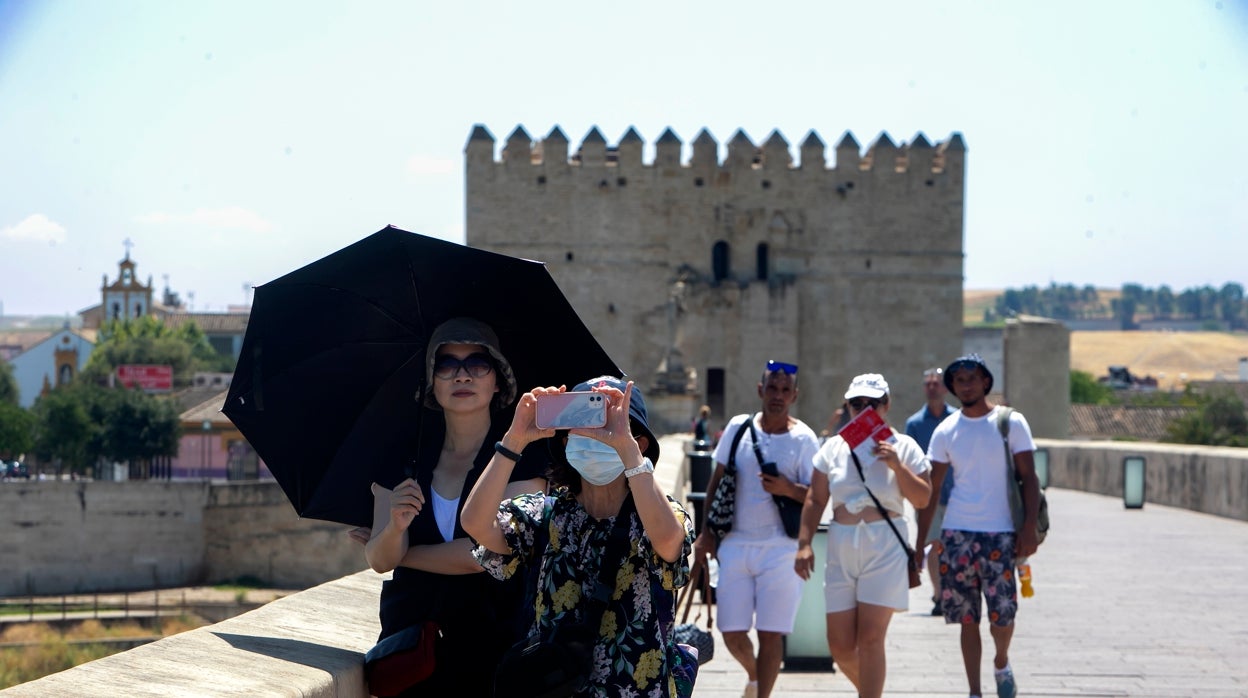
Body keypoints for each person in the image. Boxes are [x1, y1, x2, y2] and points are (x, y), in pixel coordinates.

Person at [463, 376, 696, 696]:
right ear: (564, 440)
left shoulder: (656, 516)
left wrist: (627, 451)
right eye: (583, 425)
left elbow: (670, 542)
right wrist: (514, 440)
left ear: (640, 442)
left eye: (609, 426)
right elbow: (476, 523)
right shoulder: (544, 515)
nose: (595, 436)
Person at [351, 317, 548, 696]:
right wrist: (394, 528)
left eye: (478, 364)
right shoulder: (404, 458)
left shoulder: (527, 459)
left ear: (498, 381)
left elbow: (487, 553)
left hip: (496, 655)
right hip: (415, 657)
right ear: (432, 382)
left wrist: (404, 554)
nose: (462, 376)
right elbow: (378, 558)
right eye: (447, 365)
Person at [795, 373, 931, 698]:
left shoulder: (904, 446)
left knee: (871, 638)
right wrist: (804, 544)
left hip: (884, 544)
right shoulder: (834, 447)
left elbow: (923, 498)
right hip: (843, 543)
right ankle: (872, 692)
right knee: (840, 646)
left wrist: (898, 466)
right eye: (857, 404)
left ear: (886, 406)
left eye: (873, 404)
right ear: (848, 407)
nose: (865, 410)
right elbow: (816, 498)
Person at [915, 354, 1040, 698]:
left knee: (1002, 615)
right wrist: (921, 541)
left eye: (972, 377)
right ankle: (974, 691)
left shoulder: (1010, 423)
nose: (966, 384)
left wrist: (1028, 528)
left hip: (1000, 533)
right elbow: (932, 488)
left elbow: (1029, 478)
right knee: (967, 619)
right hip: (957, 534)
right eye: (959, 380)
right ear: (952, 387)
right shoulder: (946, 431)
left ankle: (1001, 661)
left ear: (986, 382)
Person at [692, 360, 819, 698]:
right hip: (734, 545)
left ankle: (761, 694)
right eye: (772, 388)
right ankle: (755, 676)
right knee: (731, 631)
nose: (778, 395)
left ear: (794, 395)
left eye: (785, 390)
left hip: (781, 549)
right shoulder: (738, 428)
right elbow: (715, 483)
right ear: (761, 390)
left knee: (770, 634)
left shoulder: (804, 439)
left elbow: (817, 497)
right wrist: (705, 535)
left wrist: (788, 489)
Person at [904, 367, 956, 616]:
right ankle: (939, 594)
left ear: (945, 388)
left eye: (937, 383)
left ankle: (951, 591)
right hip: (928, 495)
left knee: (953, 547)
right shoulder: (914, 424)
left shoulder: (956, 419)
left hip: (956, 494)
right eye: (928, 384)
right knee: (934, 546)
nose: (933, 387)